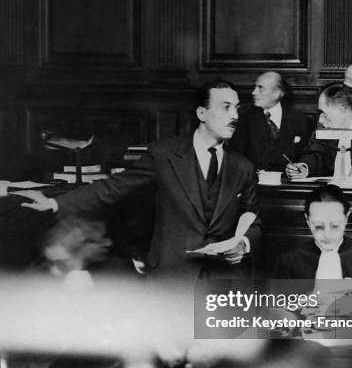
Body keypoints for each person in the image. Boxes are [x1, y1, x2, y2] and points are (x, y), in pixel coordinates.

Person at [15, 80, 261, 280]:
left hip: (223, 283)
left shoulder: (244, 167)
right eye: (226, 107)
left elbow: (254, 218)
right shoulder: (164, 154)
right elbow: (113, 187)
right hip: (171, 277)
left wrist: (243, 244)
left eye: (237, 108)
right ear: (202, 113)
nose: (235, 116)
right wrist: (55, 203)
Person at [275, 184, 352, 279]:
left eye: (335, 226)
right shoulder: (290, 261)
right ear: (307, 220)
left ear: (346, 217)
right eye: (319, 226)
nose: (327, 235)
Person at [230, 71, 312, 171]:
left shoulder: (299, 120)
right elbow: (235, 155)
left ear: (277, 93)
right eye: (255, 87)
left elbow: (305, 155)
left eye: (260, 88)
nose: (254, 92)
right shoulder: (244, 116)